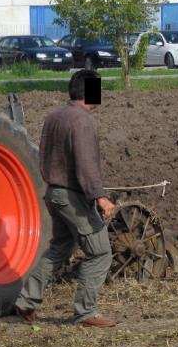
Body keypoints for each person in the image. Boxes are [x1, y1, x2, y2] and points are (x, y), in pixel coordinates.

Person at [15, 69, 117, 328]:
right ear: (90, 92)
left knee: (60, 248)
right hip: (72, 196)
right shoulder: (82, 121)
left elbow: (44, 155)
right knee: (100, 251)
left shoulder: (53, 117)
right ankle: (86, 311)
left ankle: (27, 301)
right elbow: (85, 164)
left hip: (53, 193)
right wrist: (100, 197)